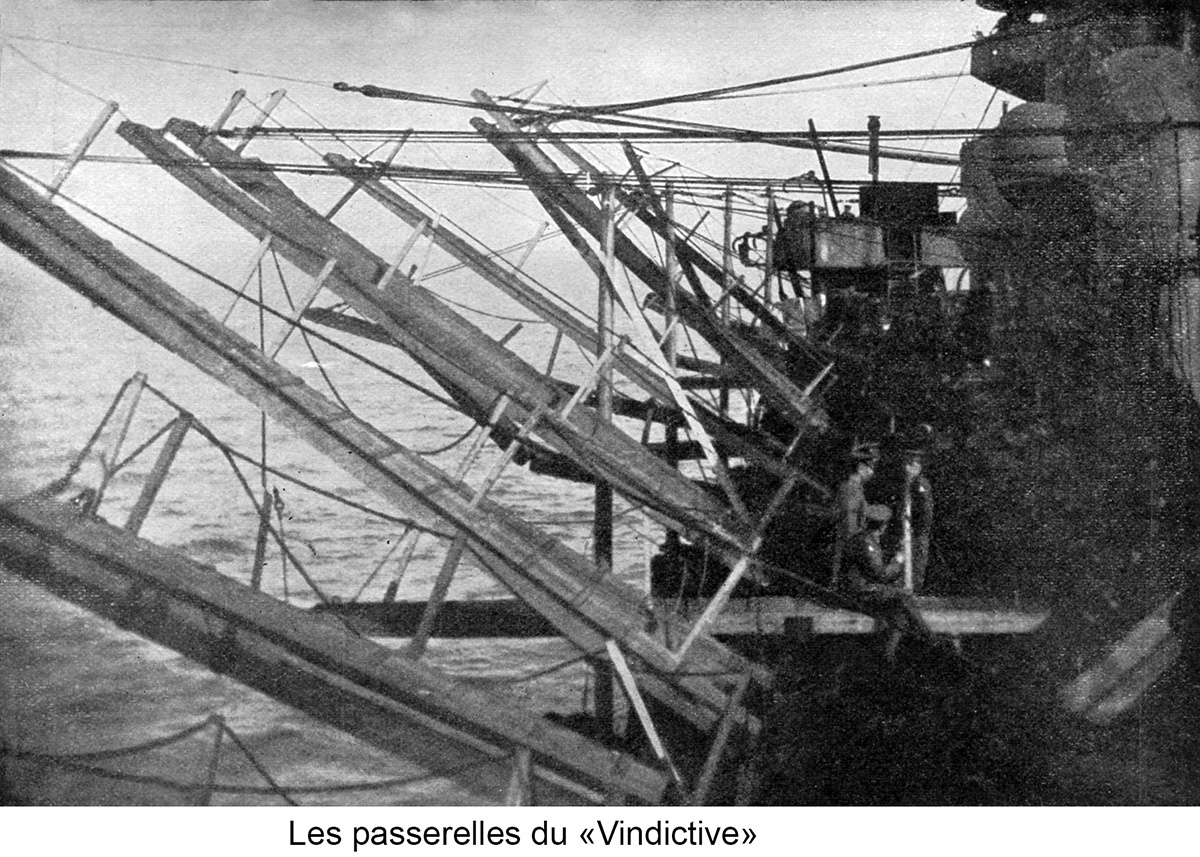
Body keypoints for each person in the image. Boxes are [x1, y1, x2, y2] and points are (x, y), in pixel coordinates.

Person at [831, 441, 882, 586]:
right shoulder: (852, 488)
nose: (872, 472)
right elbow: (849, 523)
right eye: (870, 467)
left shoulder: (856, 487)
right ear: (861, 467)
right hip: (850, 546)